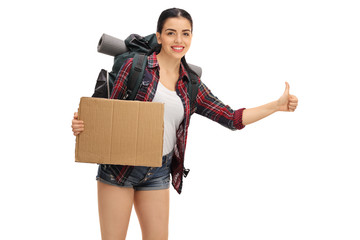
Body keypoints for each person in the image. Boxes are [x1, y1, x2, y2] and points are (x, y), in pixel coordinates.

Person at [72, 7, 298, 240]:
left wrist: (276, 106)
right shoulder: (135, 67)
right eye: (171, 33)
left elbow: (231, 118)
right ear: (159, 36)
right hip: (119, 168)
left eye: (185, 33)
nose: (178, 40)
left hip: (158, 172)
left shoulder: (191, 84)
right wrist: (82, 125)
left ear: (191, 37)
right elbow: (104, 112)